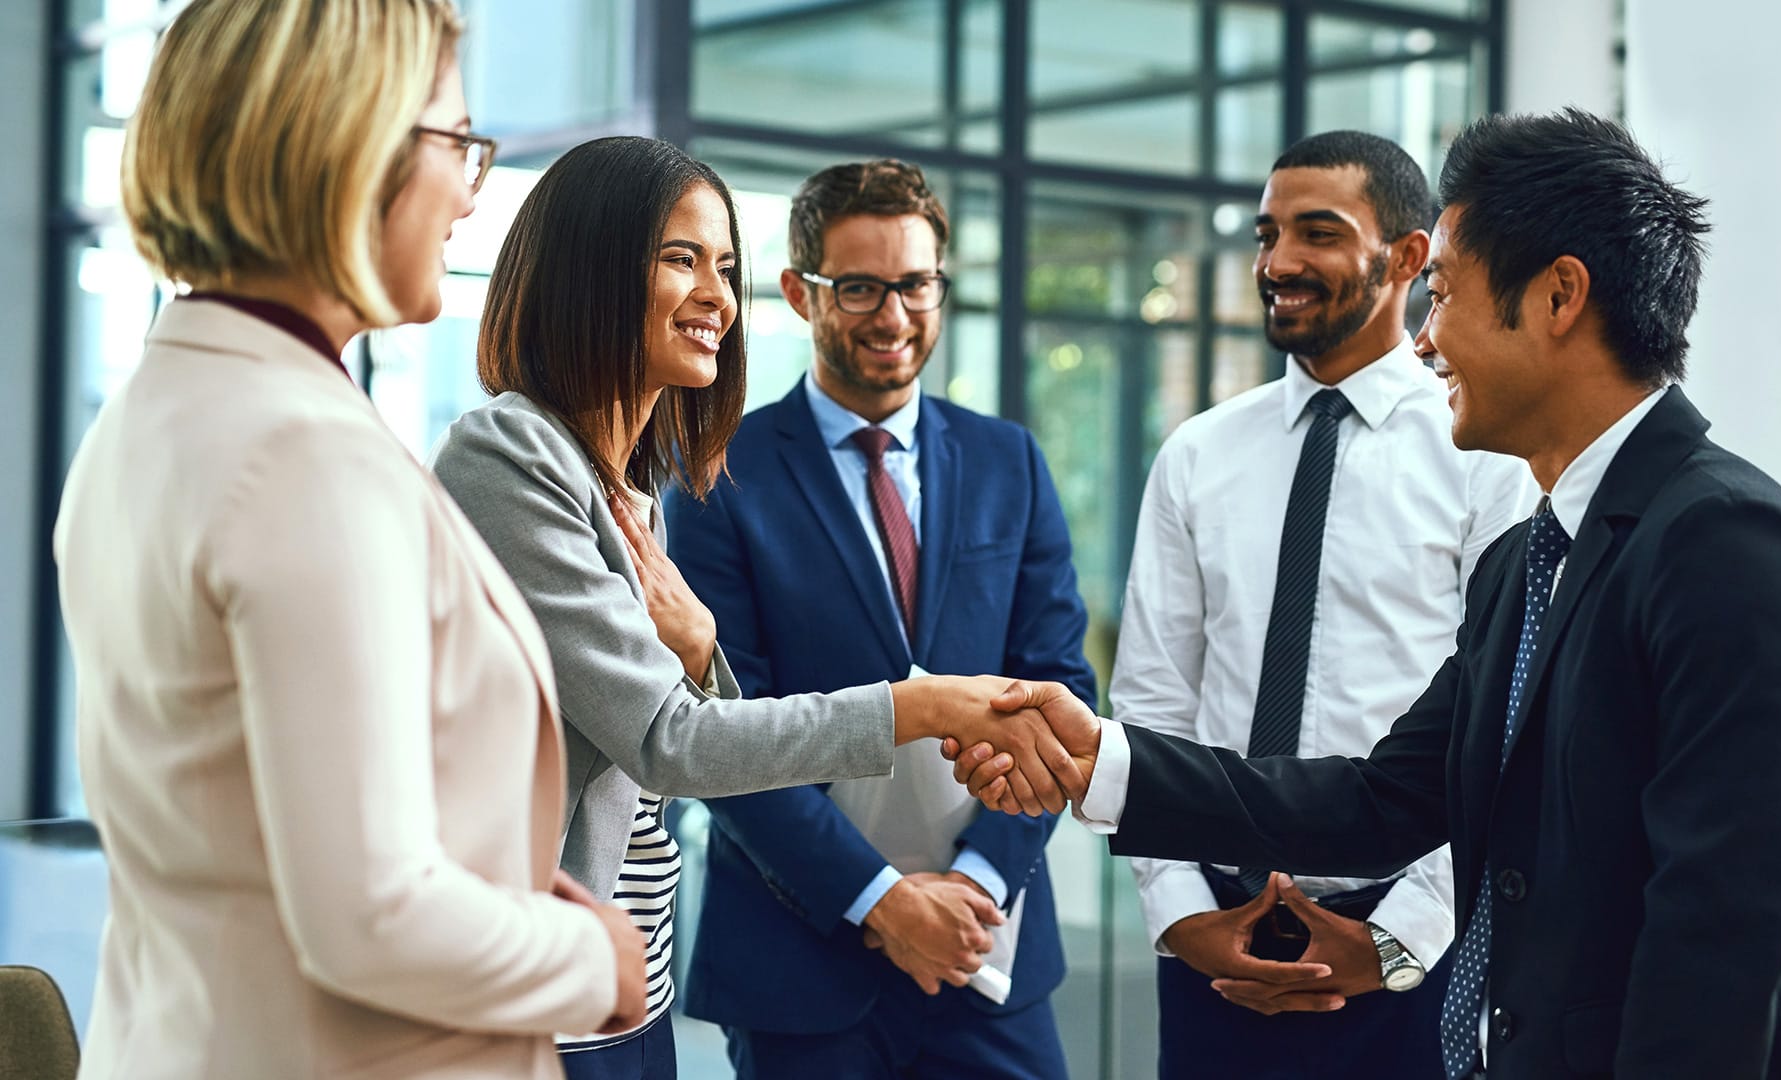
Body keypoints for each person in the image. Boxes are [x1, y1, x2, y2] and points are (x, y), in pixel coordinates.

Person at [953, 108, 1781, 1078]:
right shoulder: (1532, 561)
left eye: (1445, 297)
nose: (1427, 343)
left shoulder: (1728, 544)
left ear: (1559, 295)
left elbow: (1718, 951)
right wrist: (1095, 758)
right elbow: (1378, 800)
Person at [50, 2, 655, 1076]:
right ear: (348, 143)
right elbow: (368, 917)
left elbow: (246, 825)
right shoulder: (301, 456)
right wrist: (589, 957)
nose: (473, 194)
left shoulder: (158, 411)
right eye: (458, 144)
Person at [430, 140, 1073, 1080]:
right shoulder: (511, 456)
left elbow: (687, 727)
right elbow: (677, 743)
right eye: (681, 258)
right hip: (552, 989)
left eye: (723, 267)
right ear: (591, 265)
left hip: (625, 984)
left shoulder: (629, 487)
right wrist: (924, 707)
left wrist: (698, 648)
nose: (718, 299)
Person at [662, 159, 1097, 1080]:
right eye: (859, 288)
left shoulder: (1007, 459)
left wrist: (976, 887)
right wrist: (883, 902)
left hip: (992, 953)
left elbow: (1063, 689)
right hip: (801, 963)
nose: (893, 317)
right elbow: (725, 728)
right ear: (799, 291)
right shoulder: (716, 474)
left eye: (916, 285)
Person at [1112, 131, 1532, 1079]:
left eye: (1318, 233)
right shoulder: (1197, 454)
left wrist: (1393, 943)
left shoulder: (1485, 457)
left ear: (1408, 257)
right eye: (1267, 235)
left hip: (1402, 957)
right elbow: (1152, 702)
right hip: (1213, 942)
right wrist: (1182, 917)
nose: (1279, 263)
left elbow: (1495, 730)